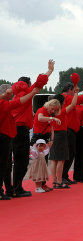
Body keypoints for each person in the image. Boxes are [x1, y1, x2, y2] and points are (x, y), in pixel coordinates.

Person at [10, 60, 54, 198]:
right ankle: (17, 188)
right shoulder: (26, 94)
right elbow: (39, 83)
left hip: (14, 130)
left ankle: (15, 187)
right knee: (21, 161)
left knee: (18, 160)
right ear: (27, 85)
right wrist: (50, 70)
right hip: (21, 130)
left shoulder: (15, 97)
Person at [0, 83, 40, 200]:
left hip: (7, 136)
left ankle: (8, 189)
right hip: (4, 137)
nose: (11, 95)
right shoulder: (3, 104)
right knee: (3, 165)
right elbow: (18, 102)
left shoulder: (4, 103)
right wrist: (32, 93)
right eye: (9, 93)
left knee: (6, 165)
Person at [48, 91, 78, 189]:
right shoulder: (62, 111)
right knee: (61, 159)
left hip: (53, 135)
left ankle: (55, 181)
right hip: (61, 135)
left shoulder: (51, 112)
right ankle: (60, 181)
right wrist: (76, 93)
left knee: (53, 160)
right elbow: (73, 104)